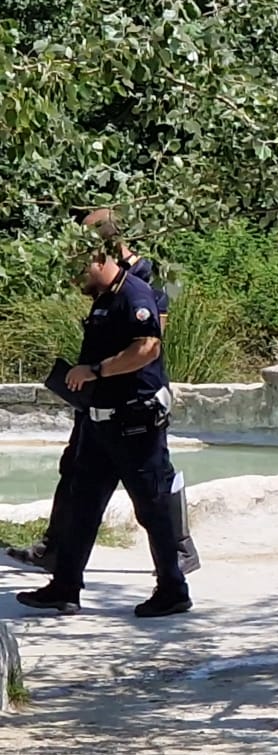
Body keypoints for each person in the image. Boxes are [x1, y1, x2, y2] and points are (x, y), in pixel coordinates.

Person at [5, 211, 199, 576]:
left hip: (132, 398)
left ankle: (178, 550)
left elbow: (149, 343)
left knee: (154, 479)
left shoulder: (149, 279)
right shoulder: (106, 279)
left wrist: (99, 370)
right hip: (99, 396)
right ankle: (56, 549)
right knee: (76, 468)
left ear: (105, 243)